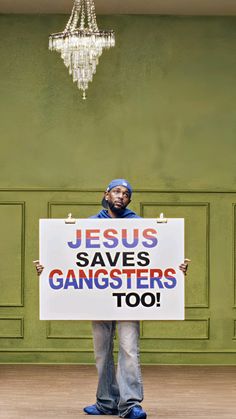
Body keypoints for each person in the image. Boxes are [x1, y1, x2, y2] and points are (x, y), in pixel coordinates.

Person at [35, 179, 189, 419]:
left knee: (129, 350)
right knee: (102, 352)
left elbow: (158, 258)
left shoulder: (140, 225)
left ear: (129, 200)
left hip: (129, 300)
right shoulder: (89, 226)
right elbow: (70, 260)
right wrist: (47, 267)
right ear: (106, 194)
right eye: (117, 191)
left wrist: (176, 267)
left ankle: (130, 405)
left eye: (126, 194)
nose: (121, 196)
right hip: (98, 299)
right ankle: (106, 402)